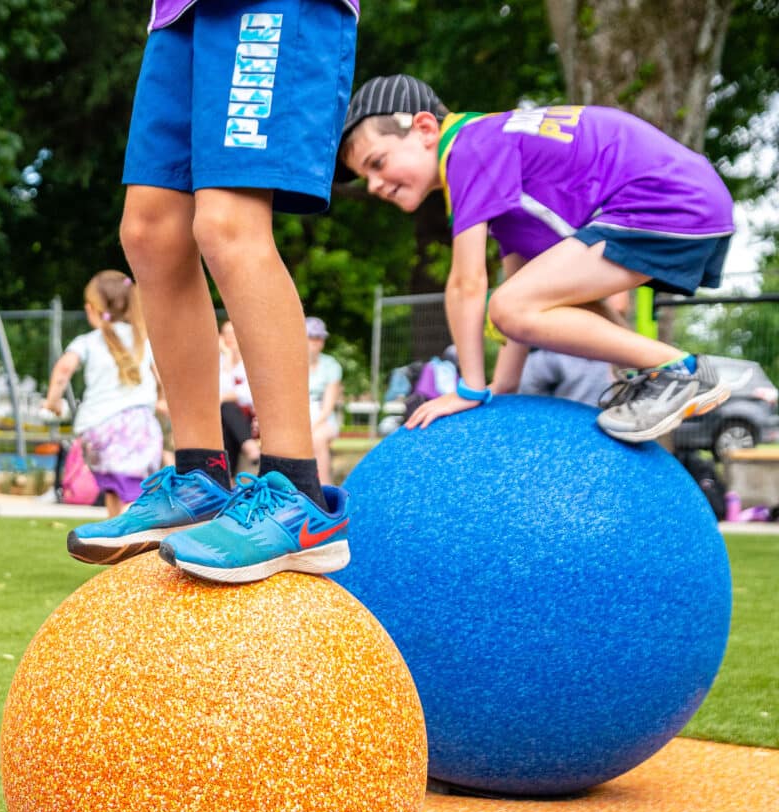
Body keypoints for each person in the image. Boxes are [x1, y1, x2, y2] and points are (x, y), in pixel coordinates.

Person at [66, 0, 357, 583]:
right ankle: (199, 479)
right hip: (178, 13)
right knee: (149, 234)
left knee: (227, 224)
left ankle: (298, 497)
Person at [338, 75, 737, 442]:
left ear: (425, 129)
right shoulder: (500, 154)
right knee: (528, 301)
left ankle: (680, 371)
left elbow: (467, 282)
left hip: (665, 200)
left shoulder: (468, 148)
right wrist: (503, 386)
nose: (373, 185)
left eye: (377, 163)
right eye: (364, 177)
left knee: (507, 306)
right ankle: (654, 373)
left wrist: (470, 389)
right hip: (688, 196)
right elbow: (524, 283)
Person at [43, 271, 164, 530]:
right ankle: (129, 537)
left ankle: (114, 541)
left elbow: (63, 370)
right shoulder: (144, 340)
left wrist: (52, 402)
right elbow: (162, 376)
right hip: (135, 426)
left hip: (97, 429)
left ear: (92, 309)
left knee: (113, 489)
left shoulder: (87, 342)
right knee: (132, 491)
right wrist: (162, 400)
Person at [216, 319, 258, 476]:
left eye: (233, 333)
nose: (230, 338)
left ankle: (227, 477)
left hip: (248, 416)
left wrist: (224, 397)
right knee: (226, 414)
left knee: (227, 408)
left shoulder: (250, 362)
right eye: (226, 334)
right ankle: (248, 446)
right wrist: (227, 356)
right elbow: (220, 390)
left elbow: (248, 394)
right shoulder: (219, 362)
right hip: (226, 417)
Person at [305, 316, 343, 485]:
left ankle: (324, 489)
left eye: (319, 338)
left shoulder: (331, 366)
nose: (316, 342)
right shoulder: (291, 364)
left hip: (321, 418)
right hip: (300, 416)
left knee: (317, 438)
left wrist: (311, 427)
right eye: (311, 337)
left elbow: (327, 408)